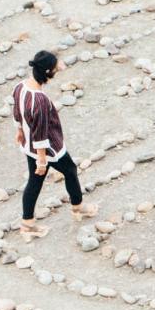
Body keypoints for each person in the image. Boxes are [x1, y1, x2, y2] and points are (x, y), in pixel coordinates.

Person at [11, 49, 95, 239]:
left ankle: (27, 224)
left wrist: (18, 130)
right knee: (70, 170)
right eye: (55, 68)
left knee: (35, 182)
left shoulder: (20, 86)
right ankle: (78, 208)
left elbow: (17, 110)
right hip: (48, 148)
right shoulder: (39, 100)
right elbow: (40, 131)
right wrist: (42, 159)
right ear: (48, 72)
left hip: (29, 144)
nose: (58, 70)